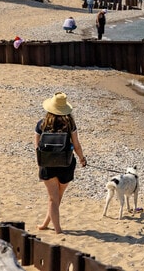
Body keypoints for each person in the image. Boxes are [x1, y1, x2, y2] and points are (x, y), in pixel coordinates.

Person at [35, 92, 87, 234]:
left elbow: (37, 147)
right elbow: (76, 145)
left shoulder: (42, 124)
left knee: (53, 198)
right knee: (57, 197)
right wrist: (82, 158)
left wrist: (40, 165)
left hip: (47, 164)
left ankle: (48, 225)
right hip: (66, 164)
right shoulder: (70, 124)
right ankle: (56, 229)